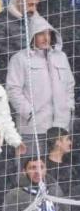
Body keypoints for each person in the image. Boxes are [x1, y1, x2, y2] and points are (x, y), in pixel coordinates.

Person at [5, 13, 74, 156]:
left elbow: (69, 86)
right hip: (34, 128)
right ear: (32, 35)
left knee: (57, 167)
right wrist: (29, 113)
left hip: (60, 128)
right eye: (41, 34)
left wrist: (69, 108)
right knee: (33, 165)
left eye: (49, 33)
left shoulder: (61, 57)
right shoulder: (20, 59)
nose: (46, 38)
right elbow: (13, 90)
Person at [3, 157, 70, 211]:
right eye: (33, 168)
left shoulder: (54, 189)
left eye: (41, 167)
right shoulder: (14, 195)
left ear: (46, 170)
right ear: (24, 171)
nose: (37, 171)